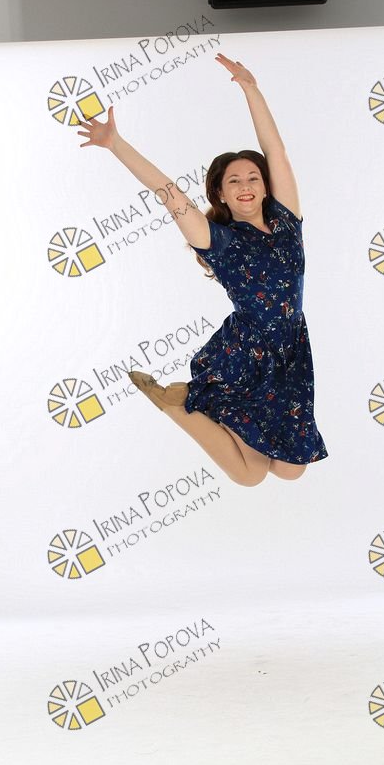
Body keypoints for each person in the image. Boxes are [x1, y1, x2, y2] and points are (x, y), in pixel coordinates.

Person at [78, 53, 327, 487]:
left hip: (291, 352)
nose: (245, 185)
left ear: (265, 186)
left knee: (292, 468)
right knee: (251, 476)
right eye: (234, 181)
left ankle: (186, 405)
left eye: (253, 178)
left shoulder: (287, 221)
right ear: (221, 194)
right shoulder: (219, 240)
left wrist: (251, 88)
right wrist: (116, 143)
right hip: (247, 357)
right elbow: (167, 191)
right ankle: (177, 406)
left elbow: (277, 151)